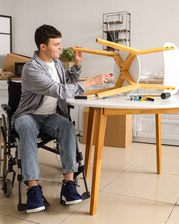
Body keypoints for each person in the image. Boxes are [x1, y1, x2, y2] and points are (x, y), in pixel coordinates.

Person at [11, 24, 110, 213]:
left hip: (50, 117)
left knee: (66, 126)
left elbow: (68, 82)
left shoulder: (57, 64)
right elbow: (59, 90)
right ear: (43, 47)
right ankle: (33, 189)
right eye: (56, 44)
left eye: (60, 43)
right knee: (25, 126)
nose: (60, 48)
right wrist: (91, 82)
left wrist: (77, 65)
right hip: (29, 116)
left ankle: (69, 186)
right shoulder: (31, 69)